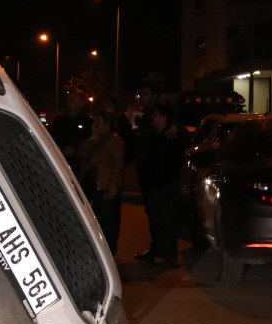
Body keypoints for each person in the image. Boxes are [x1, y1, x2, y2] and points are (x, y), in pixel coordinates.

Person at [135, 101, 189, 268]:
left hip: (166, 183)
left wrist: (175, 126)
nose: (153, 118)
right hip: (152, 183)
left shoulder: (173, 134)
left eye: (156, 115)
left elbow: (185, 143)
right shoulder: (153, 133)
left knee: (167, 219)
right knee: (156, 219)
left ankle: (168, 254)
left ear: (164, 117)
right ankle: (160, 252)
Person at [78, 110, 125, 254]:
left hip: (105, 185)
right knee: (98, 222)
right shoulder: (97, 140)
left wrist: (113, 185)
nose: (95, 124)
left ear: (106, 123)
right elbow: (81, 152)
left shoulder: (114, 140)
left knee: (107, 223)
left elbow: (118, 163)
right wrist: (92, 137)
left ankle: (111, 253)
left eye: (98, 121)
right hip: (94, 186)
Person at [49, 90, 92, 176]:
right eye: (68, 100)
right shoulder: (59, 121)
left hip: (79, 167)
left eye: (72, 100)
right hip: (62, 164)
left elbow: (91, 143)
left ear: (81, 103)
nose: (68, 103)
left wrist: (75, 151)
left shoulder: (88, 123)